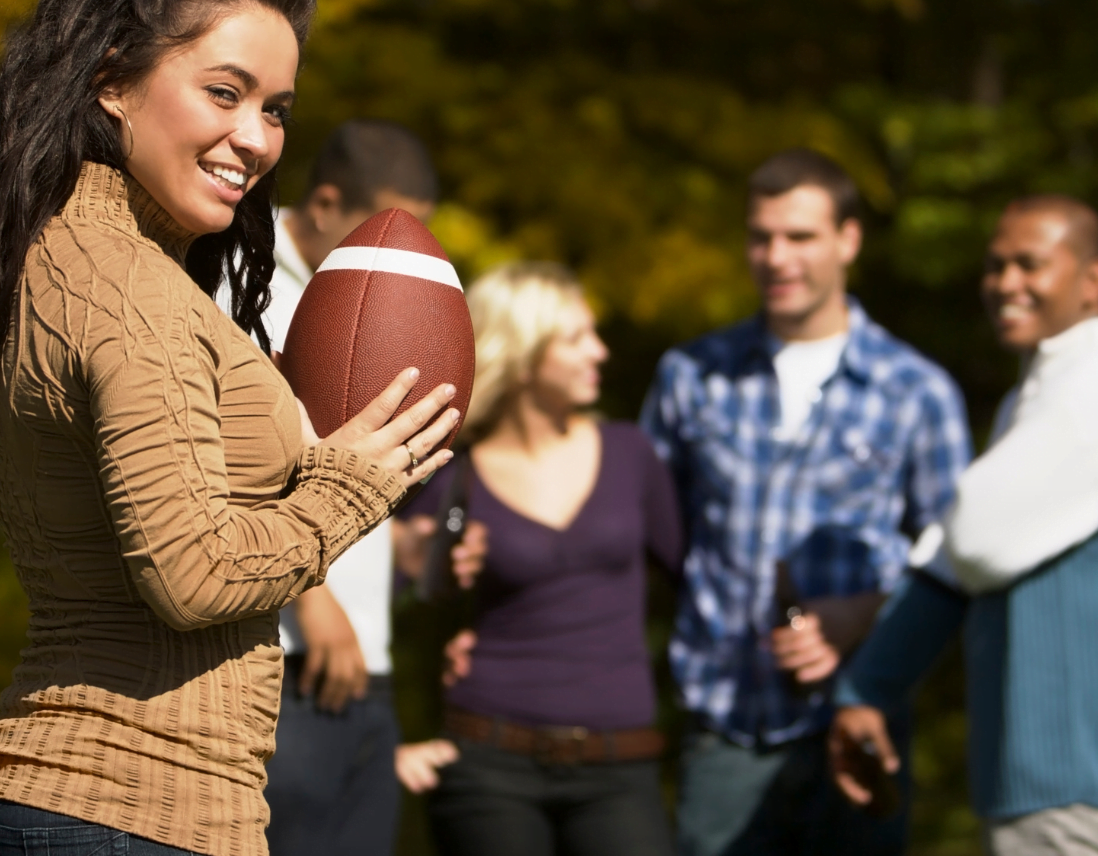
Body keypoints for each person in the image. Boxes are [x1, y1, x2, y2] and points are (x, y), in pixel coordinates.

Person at [0, 0, 460, 856]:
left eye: (278, 109)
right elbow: (196, 573)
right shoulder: (130, 292)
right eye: (224, 92)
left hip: (85, 813)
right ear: (111, 80)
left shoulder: (77, 260)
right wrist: (350, 486)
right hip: (121, 815)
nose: (254, 139)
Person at [639, 148, 972, 856]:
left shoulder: (917, 390)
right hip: (723, 719)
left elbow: (954, 561)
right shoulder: (692, 376)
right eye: (761, 237)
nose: (776, 256)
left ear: (849, 240)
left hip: (856, 722)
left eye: (800, 237)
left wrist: (866, 615)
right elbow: (636, 541)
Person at [831, 198, 1098, 856]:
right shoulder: (1043, 390)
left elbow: (972, 538)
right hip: (1038, 781)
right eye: (995, 266)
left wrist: (871, 679)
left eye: (1031, 264)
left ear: (1093, 281)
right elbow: (963, 541)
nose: (1006, 284)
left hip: (1068, 777)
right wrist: (868, 686)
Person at [217, 119, 485, 856]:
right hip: (286, 655)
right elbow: (226, 468)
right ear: (326, 203)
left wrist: (407, 546)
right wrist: (316, 601)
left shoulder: (391, 295)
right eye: (381, 225)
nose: (403, 245)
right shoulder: (234, 275)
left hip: (369, 659)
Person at [401, 262, 683, 856]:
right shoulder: (452, 473)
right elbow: (385, 592)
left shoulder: (631, 455)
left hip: (620, 765)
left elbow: (696, 584)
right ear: (525, 355)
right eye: (577, 338)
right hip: (487, 759)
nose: (599, 352)